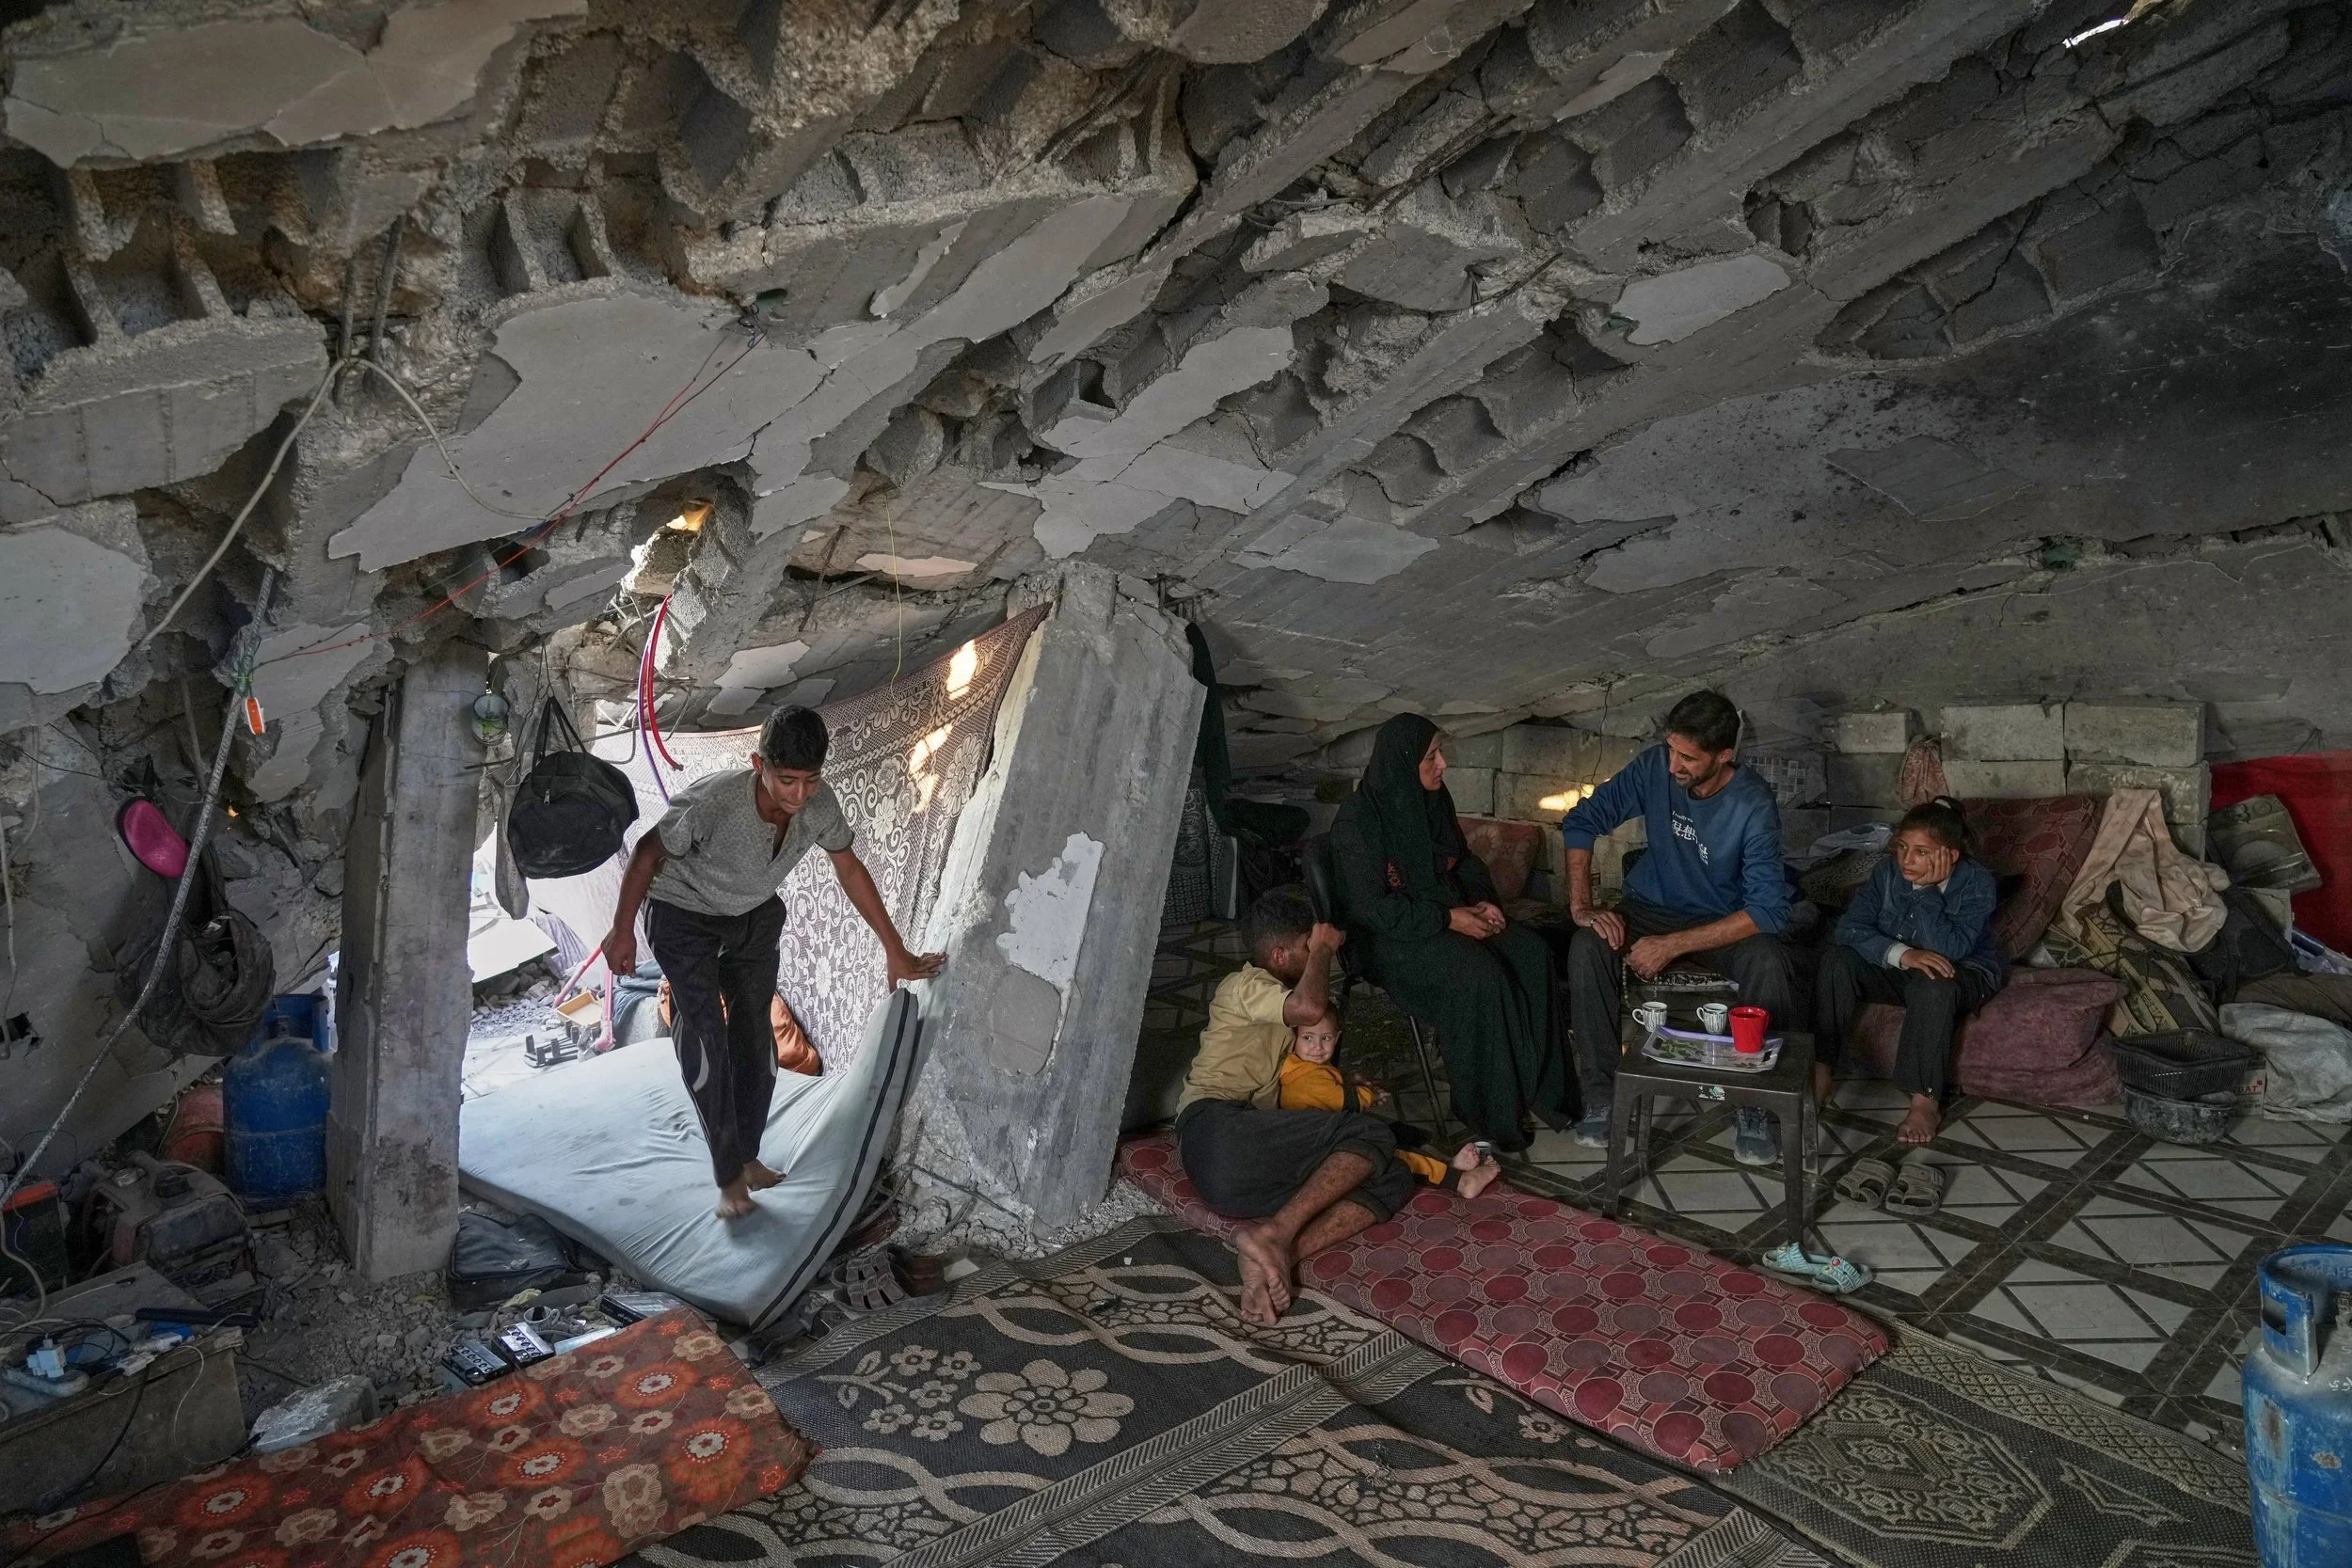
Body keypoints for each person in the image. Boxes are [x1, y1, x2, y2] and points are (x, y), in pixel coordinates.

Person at [603, 706, 942, 1219]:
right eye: (787, 780)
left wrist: (893, 947)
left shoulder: (818, 805)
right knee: (706, 1036)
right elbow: (648, 853)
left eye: (811, 780)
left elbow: (849, 868)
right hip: (682, 913)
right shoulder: (715, 800)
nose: (800, 794)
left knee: (755, 1035)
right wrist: (622, 928)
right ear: (758, 763)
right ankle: (727, 1178)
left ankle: (750, 1155)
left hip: (751, 912)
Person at [1560, 691, 1795, 1164]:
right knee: (1587, 947)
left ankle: (1753, 1104)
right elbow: (1583, 821)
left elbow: (1769, 910)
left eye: (1688, 757)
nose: (1673, 766)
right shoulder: (1653, 768)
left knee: (1770, 961)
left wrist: (1671, 945)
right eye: (1671, 750)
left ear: (1723, 756)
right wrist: (1582, 907)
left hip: (1718, 921)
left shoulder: (1753, 803)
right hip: (1648, 909)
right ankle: (1603, 1097)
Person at [1175, 886, 1418, 1325]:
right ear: (1281, 955)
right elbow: (1309, 1009)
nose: (1319, 958)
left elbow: (1302, 1062)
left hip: (1244, 1174)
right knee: (1372, 1133)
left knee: (1391, 1171)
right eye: (1308, 949)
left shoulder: (1279, 1012)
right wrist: (1324, 946)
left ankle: (1277, 1256)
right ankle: (1275, 1232)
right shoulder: (1245, 985)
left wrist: (1345, 1082)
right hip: (1214, 1131)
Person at [1329, 714, 1570, 1153]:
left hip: (1443, 912)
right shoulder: (1358, 822)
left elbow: (1464, 862)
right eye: (1431, 756)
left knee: (1530, 951)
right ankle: (1490, 1114)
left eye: (1440, 752)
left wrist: (1483, 902)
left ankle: (1541, 1090)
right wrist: (1448, 919)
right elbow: (1373, 909)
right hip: (1388, 937)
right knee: (1476, 973)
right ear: (1403, 763)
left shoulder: (1432, 801)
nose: (1442, 764)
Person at [1816, 796, 2005, 1146]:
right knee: (1837, 959)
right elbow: (1850, 928)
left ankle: (1924, 1100)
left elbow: (1950, 950)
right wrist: (1903, 955)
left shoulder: (1977, 883)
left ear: (1950, 855)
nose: (1907, 859)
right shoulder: (1887, 874)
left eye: (1922, 852)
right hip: (1904, 965)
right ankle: (1821, 1070)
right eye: (1902, 847)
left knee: (1933, 983)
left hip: (1962, 971)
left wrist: (1926, 892)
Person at [1279, 1015, 1502, 1197]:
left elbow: (1329, 1083)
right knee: (1395, 1155)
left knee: (1398, 1133)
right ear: (1293, 1038)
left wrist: (1349, 1079)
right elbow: (1346, 1100)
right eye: (1308, 1038)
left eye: (1325, 1038)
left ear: (1337, 1037)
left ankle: (1448, 1164)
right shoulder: (1305, 1078)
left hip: (1331, 1135)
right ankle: (1461, 1182)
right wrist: (1370, 1095)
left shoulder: (1301, 1067)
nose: (1317, 1047)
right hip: (1324, 1151)